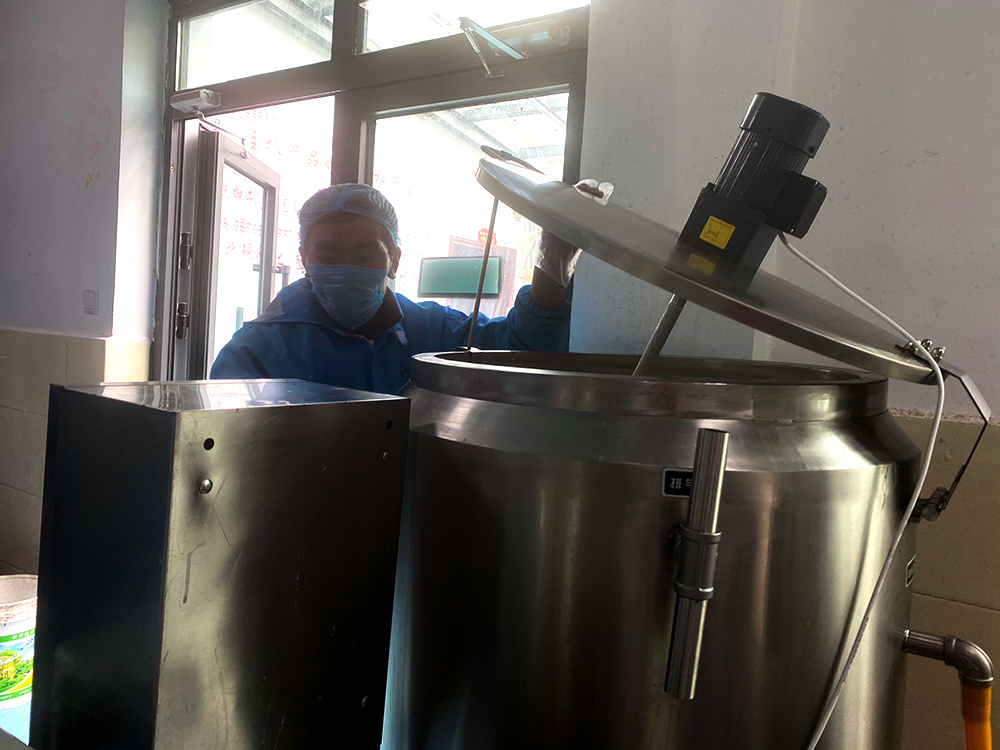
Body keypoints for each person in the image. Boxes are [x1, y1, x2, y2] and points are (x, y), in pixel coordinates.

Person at [210, 183, 581, 393]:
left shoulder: (432, 331)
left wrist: (553, 259)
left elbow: (523, 350)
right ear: (304, 258)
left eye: (364, 255)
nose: (346, 268)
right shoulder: (256, 352)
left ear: (395, 261)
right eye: (328, 255)